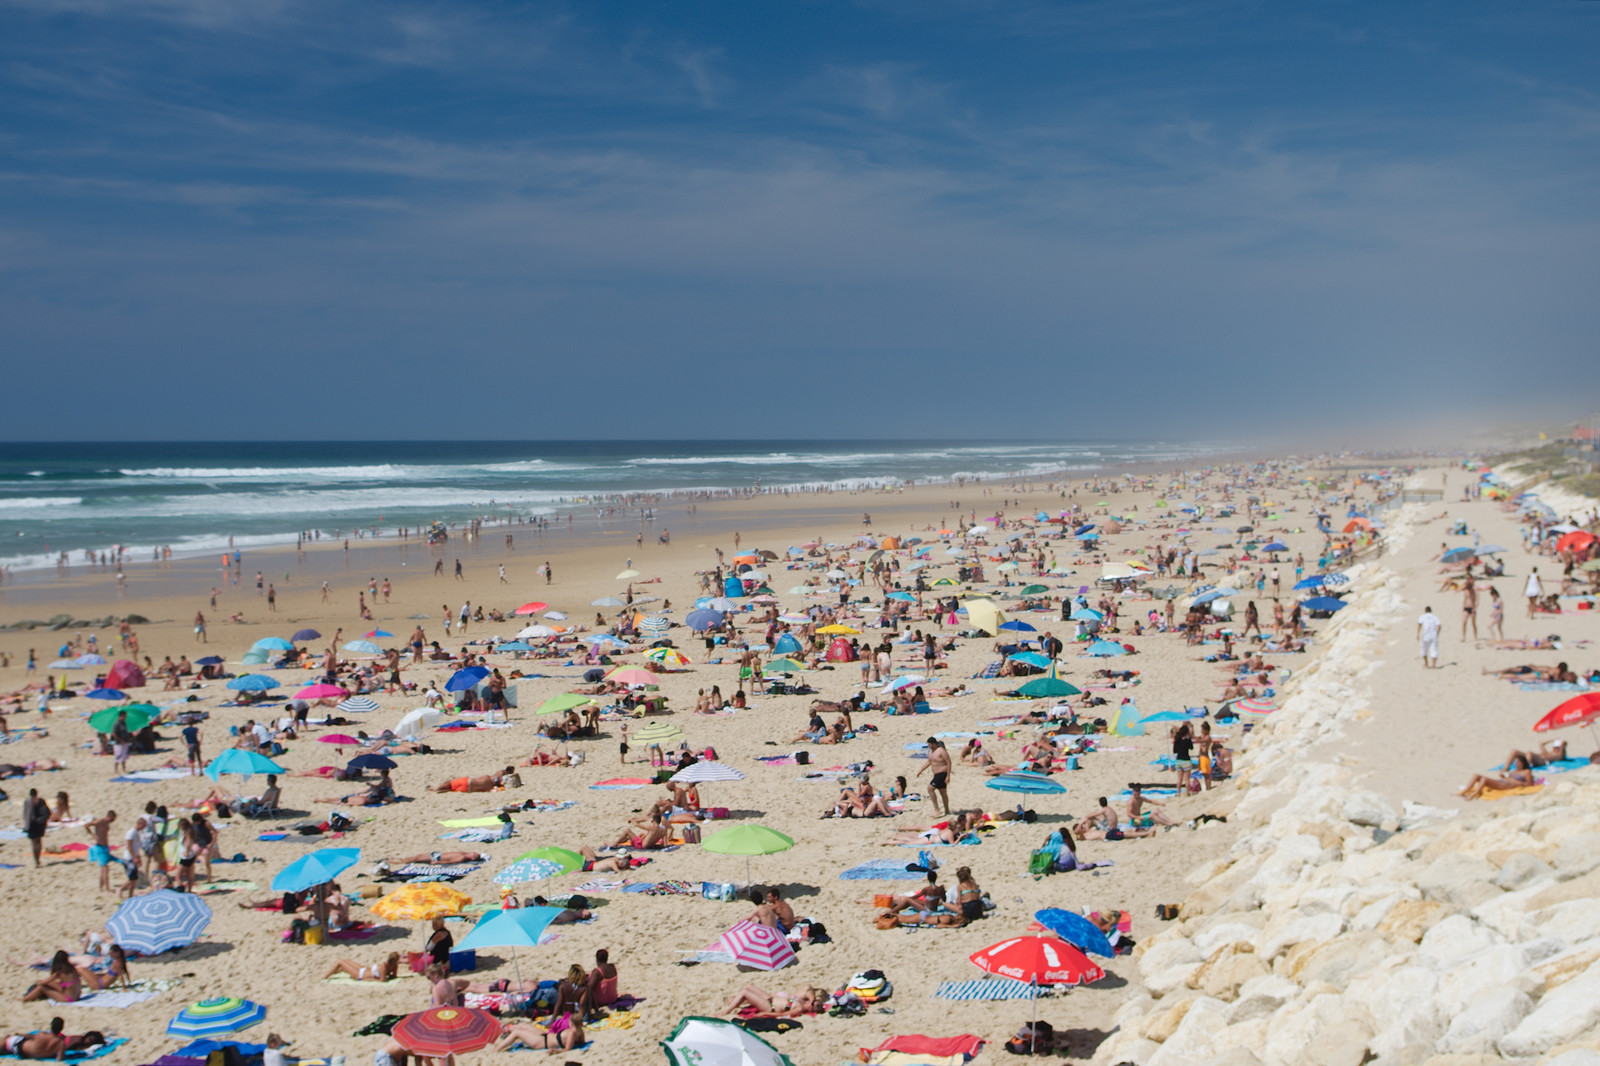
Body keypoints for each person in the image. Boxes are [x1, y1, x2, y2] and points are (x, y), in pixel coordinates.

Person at [492, 1016, 585, 1054]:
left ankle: (496, 1050)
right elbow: (582, 1043)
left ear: (572, 1023)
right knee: (522, 1026)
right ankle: (507, 1030)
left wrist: (556, 1051)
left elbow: (567, 1049)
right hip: (546, 1036)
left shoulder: (572, 1033)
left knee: (517, 1033)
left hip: (542, 1042)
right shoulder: (580, 1031)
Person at [1460, 754, 1536, 800]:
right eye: (1516, 763)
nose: (1516, 764)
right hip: (1502, 782)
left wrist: (1521, 783)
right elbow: (1508, 779)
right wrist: (1503, 777)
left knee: (1484, 779)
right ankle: (1464, 791)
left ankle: (1474, 794)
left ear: (1523, 763)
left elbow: (1529, 785)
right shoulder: (1514, 771)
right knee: (1476, 775)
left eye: (1518, 762)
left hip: (1507, 785)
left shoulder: (1526, 772)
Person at [721, 985, 825, 1018]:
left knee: (745, 992)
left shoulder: (799, 1008)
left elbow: (782, 1014)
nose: (810, 1002)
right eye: (812, 1001)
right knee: (749, 987)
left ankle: (727, 1011)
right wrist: (812, 999)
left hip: (769, 1006)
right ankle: (734, 1002)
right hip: (770, 999)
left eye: (812, 1004)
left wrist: (765, 1013)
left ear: (811, 1008)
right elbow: (809, 988)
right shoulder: (802, 1000)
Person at [917, 736, 953, 816]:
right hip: (936, 774)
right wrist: (921, 770)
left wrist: (948, 776)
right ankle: (947, 810)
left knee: (930, 788)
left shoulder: (941, 751)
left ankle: (937, 810)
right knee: (943, 792)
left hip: (942, 773)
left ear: (934, 744)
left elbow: (948, 762)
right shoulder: (931, 752)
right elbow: (929, 761)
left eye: (930, 745)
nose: (929, 747)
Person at [1, 1017, 65, 1059]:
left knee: (7, 1038)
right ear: (61, 1028)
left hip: (19, 1047)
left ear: (51, 1026)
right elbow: (59, 1058)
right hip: (26, 1055)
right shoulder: (61, 1043)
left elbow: (31, 1036)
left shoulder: (42, 1034)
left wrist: (21, 1034)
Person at [86, 810, 116, 894]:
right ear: (110, 817)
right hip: (100, 847)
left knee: (104, 869)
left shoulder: (107, 824)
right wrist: (93, 835)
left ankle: (101, 888)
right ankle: (106, 889)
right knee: (105, 868)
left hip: (105, 846)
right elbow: (87, 825)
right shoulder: (100, 821)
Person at [323, 953, 401, 982]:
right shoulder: (391, 966)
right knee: (346, 961)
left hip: (360, 975)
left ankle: (324, 977)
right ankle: (333, 971)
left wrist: (368, 979)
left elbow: (382, 980)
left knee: (340, 961)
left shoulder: (385, 966)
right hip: (363, 969)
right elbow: (393, 976)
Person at [22, 788, 49, 867]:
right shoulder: (40, 801)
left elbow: (25, 814)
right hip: (40, 824)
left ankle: (36, 861)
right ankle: (38, 859)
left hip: (32, 824)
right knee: (39, 841)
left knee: (34, 843)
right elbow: (47, 812)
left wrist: (26, 825)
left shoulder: (27, 802)